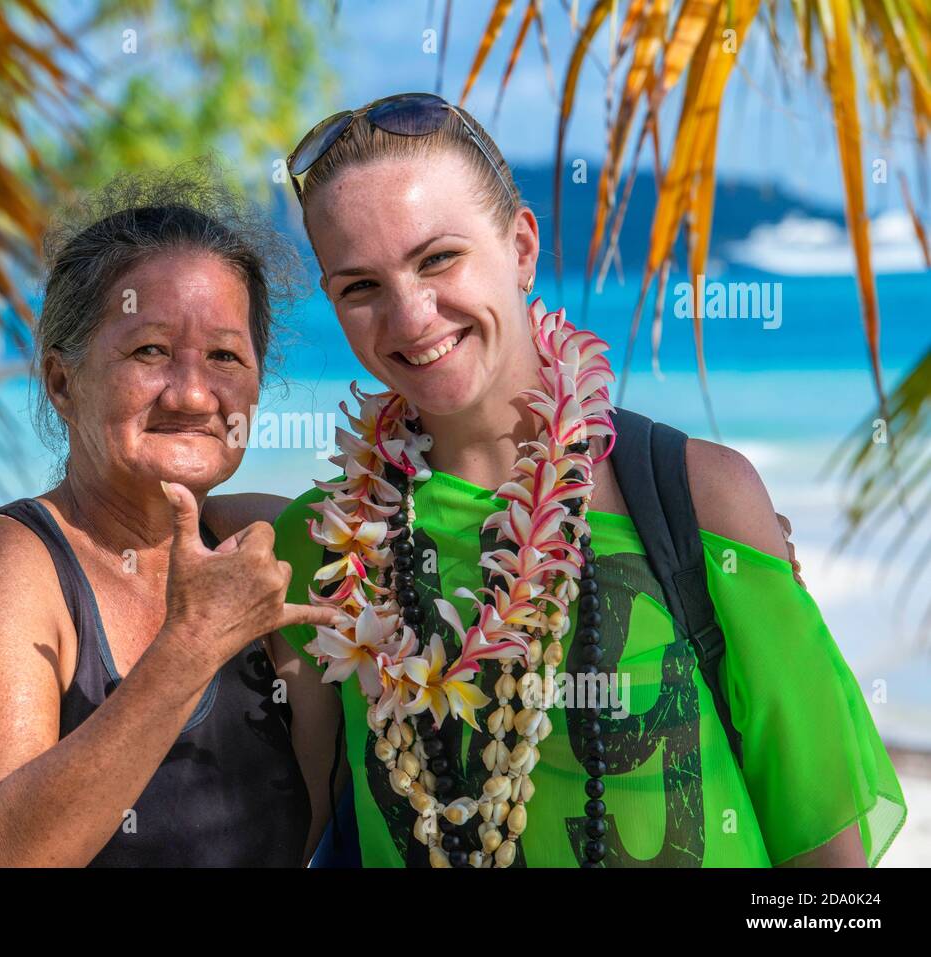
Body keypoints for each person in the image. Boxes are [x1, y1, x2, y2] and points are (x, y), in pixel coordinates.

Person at [269, 92, 907, 868]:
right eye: (360, 287)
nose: (410, 317)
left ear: (523, 247)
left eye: (438, 258)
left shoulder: (697, 499)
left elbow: (827, 875)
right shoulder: (326, 558)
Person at [0, 161, 343, 867]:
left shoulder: (280, 548)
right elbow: (6, 853)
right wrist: (192, 644)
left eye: (225, 355)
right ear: (63, 382)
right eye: (150, 350)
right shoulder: (4, 565)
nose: (193, 394)